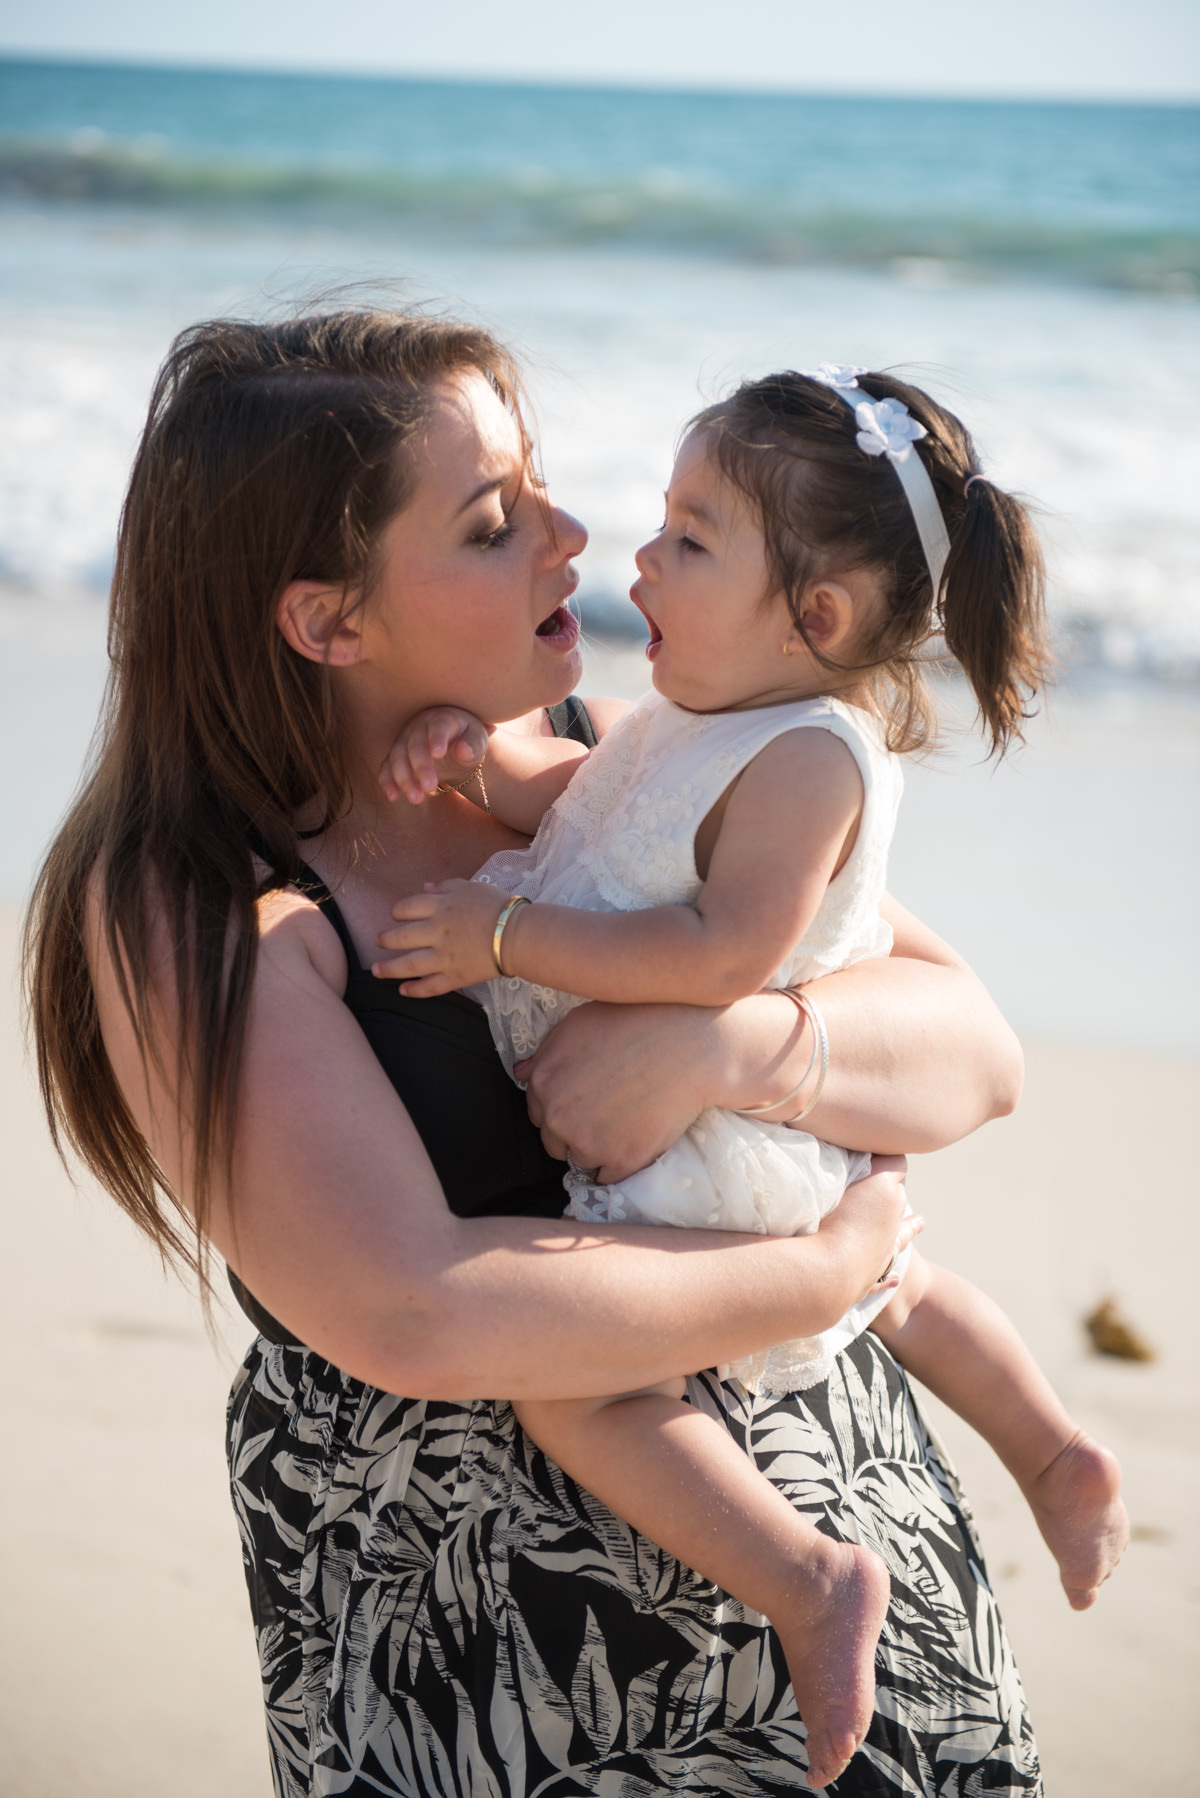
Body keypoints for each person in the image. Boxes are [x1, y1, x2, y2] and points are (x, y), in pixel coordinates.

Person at [26, 310, 1045, 1798]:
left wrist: (728, 1047)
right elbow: (418, 1311)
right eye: (498, 522)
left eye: (545, 486)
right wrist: (830, 1269)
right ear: (328, 619)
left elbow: (974, 1050)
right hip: (500, 1665)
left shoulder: (606, 752)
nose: (579, 536)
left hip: (846, 1565)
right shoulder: (196, 902)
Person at [374, 366, 1128, 1786]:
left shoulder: (811, 761)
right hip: (711, 1122)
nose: (637, 555)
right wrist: (480, 763)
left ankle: (805, 1578)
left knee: (579, 1388)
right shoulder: (686, 714)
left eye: (690, 537)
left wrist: (506, 934)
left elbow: (727, 945)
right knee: (896, 1280)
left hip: (700, 1144)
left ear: (818, 618)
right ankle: (1054, 1450)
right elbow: (586, 807)